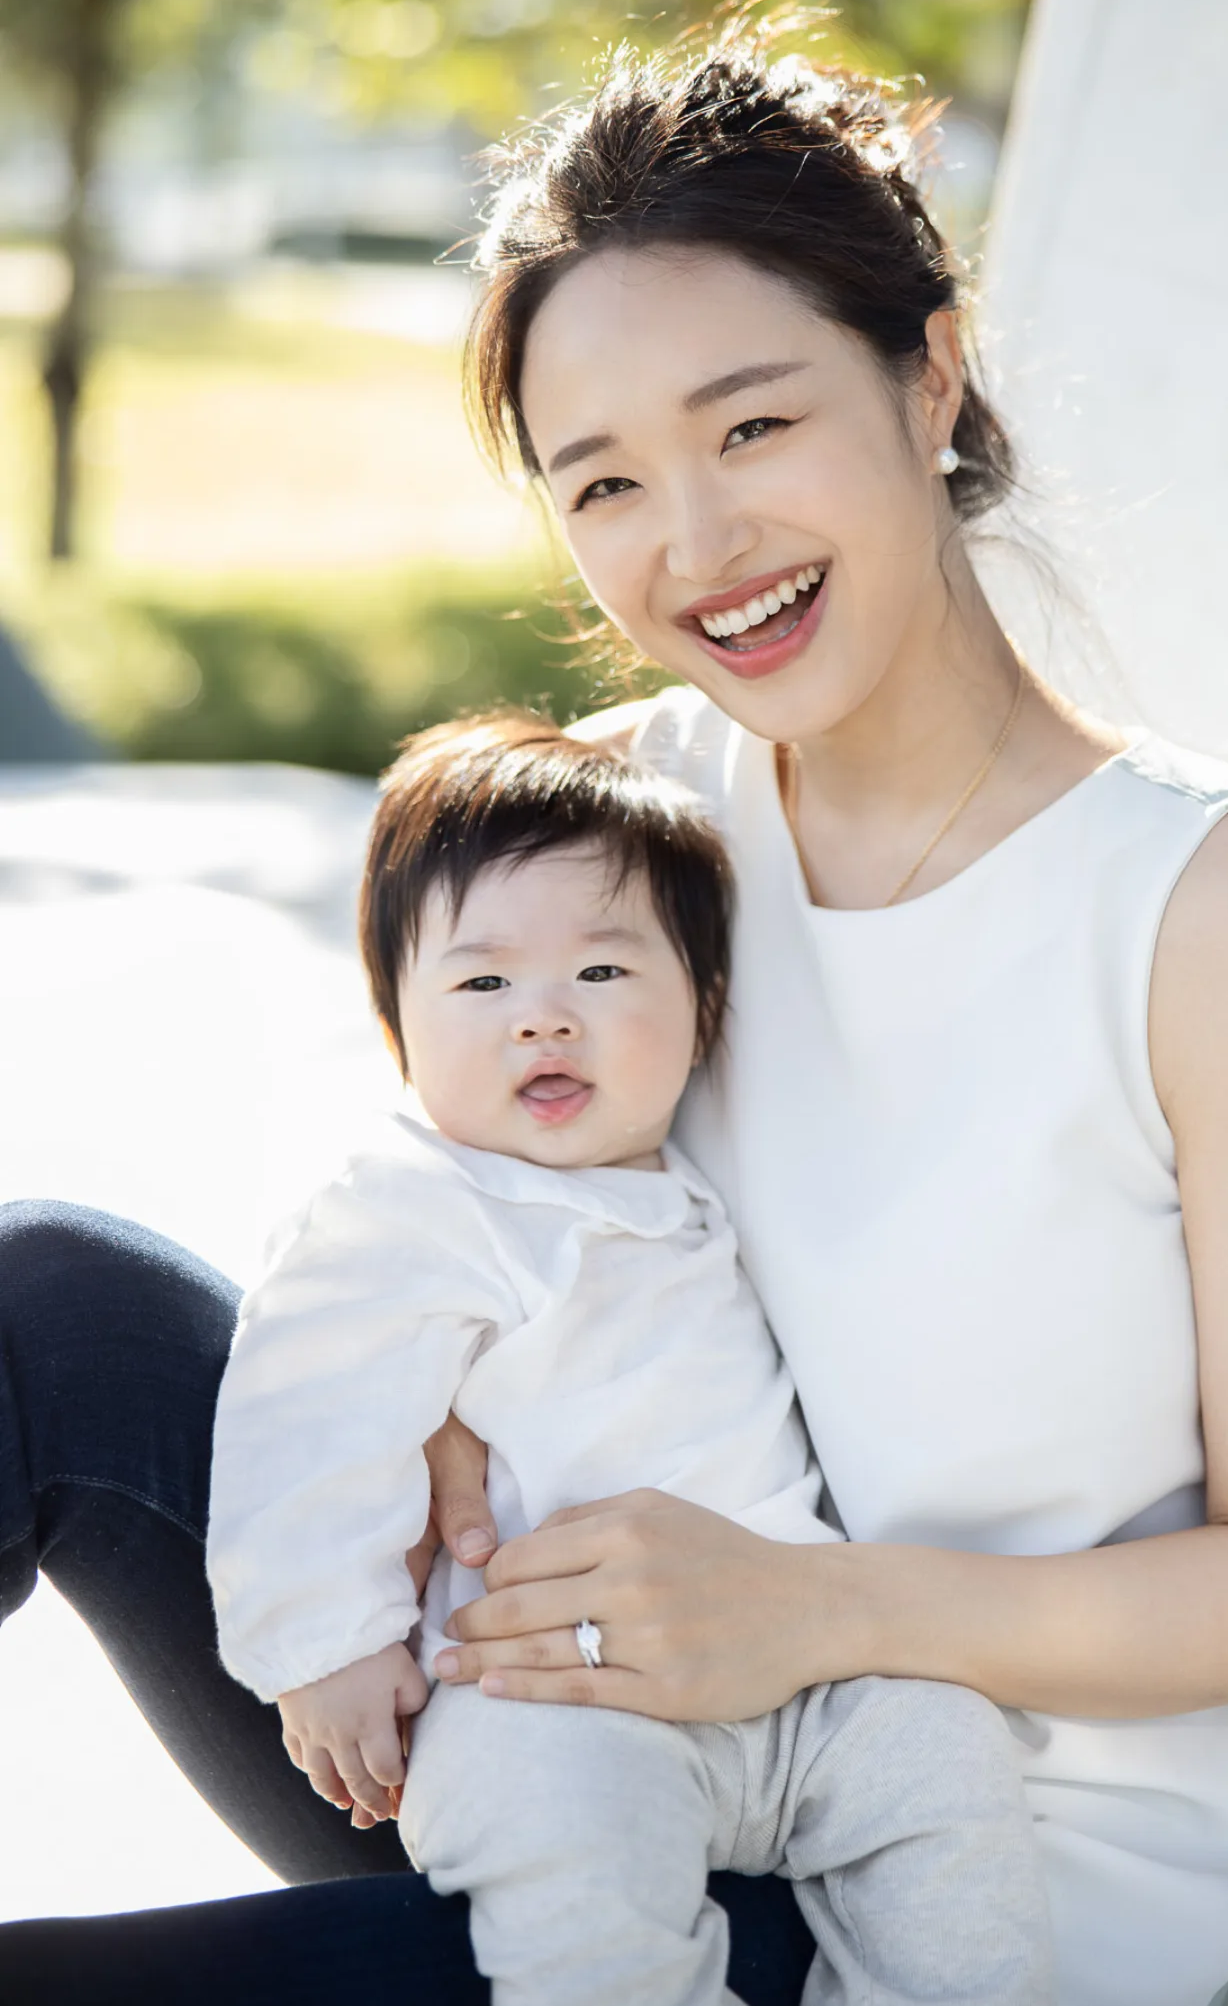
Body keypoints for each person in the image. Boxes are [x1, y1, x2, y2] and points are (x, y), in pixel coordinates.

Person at [0, 20, 1228, 2006]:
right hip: (546, 1738)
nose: (697, 548)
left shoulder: (1222, 903)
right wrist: (435, 1426)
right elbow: (432, 1221)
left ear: (930, 374)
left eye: (751, 428)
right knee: (47, 1298)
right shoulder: (630, 817)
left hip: (934, 1865)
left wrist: (812, 1613)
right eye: (605, 482)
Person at [207, 711, 1052, 2006]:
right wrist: (327, 1639)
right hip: (557, 1691)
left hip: (802, 1686)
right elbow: (307, 1405)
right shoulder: (415, 1204)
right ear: (396, 1031)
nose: (543, 1021)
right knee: (575, 1881)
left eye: (601, 974)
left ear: (704, 1011)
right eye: (482, 987)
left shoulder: (697, 1177)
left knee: (946, 1754)